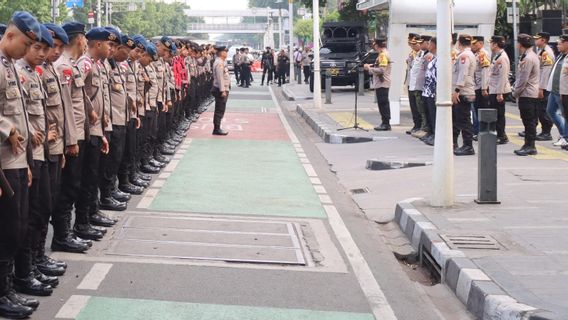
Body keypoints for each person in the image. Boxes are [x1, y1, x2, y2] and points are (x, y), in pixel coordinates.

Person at [0, 11, 42, 319]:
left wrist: (26, 161)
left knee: (19, 226)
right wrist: (6, 128)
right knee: (8, 230)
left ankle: (9, 286)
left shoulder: (12, 67)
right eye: (25, 43)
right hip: (3, 162)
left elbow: (23, 116)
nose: (28, 50)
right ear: (11, 36)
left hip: (16, 160)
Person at [512, 34, 540, 156]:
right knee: (529, 120)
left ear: (520, 44)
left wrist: (515, 92)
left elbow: (523, 78)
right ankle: (528, 144)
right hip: (528, 93)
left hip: (527, 93)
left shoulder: (528, 58)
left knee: (529, 120)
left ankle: (530, 145)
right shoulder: (529, 56)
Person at [526, 32, 554, 142]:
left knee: (543, 109)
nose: (535, 41)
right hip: (539, 84)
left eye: (537, 39)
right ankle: (537, 129)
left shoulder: (546, 53)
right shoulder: (540, 50)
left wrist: (541, 88)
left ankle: (546, 132)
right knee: (537, 108)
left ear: (543, 40)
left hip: (544, 86)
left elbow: (546, 72)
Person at [452, 34, 477, 156]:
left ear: (459, 43)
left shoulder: (464, 56)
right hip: (464, 90)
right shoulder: (469, 54)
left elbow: (463, 74)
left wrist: (457, 90)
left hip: (463, 91)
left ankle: (468, 146)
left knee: (464, 120)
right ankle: (465, 145)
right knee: (462, 119)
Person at [487, 36, 511, 145]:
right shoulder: (498, 56)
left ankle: (502, 136)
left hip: (498, 90)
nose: (490, 45)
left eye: (491, 43)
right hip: (494, 89)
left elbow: (503, 76)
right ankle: (499, 134)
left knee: (499, 114)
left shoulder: (502, 57)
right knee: (496, 113)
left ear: (495, 44)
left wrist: (499, 92)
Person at [365, 38, 392, 131]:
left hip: (382, 82)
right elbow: (380, 66)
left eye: (374, 45)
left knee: (383, 103)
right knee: (382, 103)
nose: (374, 47)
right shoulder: (382, 54)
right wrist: (372, 65)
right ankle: (385, 122)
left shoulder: (383, 55)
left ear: (377, 45)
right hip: (382, 82)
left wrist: (369, 69)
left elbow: (382, 70)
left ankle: (386, 124)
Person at [408, 35, 432, 139]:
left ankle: (425, 128)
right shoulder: (420, 53)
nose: (419, 44)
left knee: (424, 110)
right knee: (419, 108)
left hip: (424, 87)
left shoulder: (429, 55)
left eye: (421, 43)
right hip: (416, 85)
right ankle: (420, 127)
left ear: (428, 43)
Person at [546, 35, 568, 148]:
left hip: (563, 91)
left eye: (560, 43)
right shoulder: (560, 55)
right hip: (554, 90)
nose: (558, 46)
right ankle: (564, 135)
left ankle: (565, 137)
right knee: (550, 111)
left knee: (565, 115)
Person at [471, 36, 490, 138]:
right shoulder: (476, 54)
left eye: (475, 44)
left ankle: (482, 131)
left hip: (480, 86)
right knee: (477, 109)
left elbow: (485, 71)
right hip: (476, 85)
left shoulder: (483, 54)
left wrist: (484, 87)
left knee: (481, 109)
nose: (472, 46)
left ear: (481, 43)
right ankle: (478, 131)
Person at [422, 37, 438, 146]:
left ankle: (436, 135)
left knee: (434, 115)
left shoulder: (440, 58)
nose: (428, 45)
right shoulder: (433, 57)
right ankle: (431, 132)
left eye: (430, 43)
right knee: (429, 114)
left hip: (433, 91)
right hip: (427, 91)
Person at [405, 34, 422, 135]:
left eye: (414, 44)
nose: (412, 46)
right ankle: (416, 125)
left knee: (418, 106)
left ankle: (419, 125)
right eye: (411, 44)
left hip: (417, 84)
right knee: (413, 105)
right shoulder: (412, 53)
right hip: (410, 82)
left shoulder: (421, 54)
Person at [212, 46, 230, 136]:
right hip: (220, 89)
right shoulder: (219, 63)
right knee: (219, 109)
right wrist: (223, 90)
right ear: (221, 53)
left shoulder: (222, 62)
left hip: (223, 89)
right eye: (225, 52)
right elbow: (220, 78)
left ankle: (217, 127)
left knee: (221, 109)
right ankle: (216, 128)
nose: (226, 53)